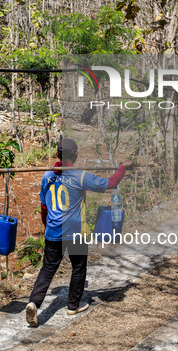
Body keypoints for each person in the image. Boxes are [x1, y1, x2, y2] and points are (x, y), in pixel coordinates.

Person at [25, 138, 133, 327]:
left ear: (57, 154)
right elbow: (110, 183)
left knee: (48, 268)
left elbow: (44, 207)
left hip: (53, 232)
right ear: (75, 155)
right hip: (74, 232)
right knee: (78, 267)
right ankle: (73, 305)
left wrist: (47, 226)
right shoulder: (80, 176)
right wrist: (122, 167)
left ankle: (34, 302)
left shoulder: (47, 175)